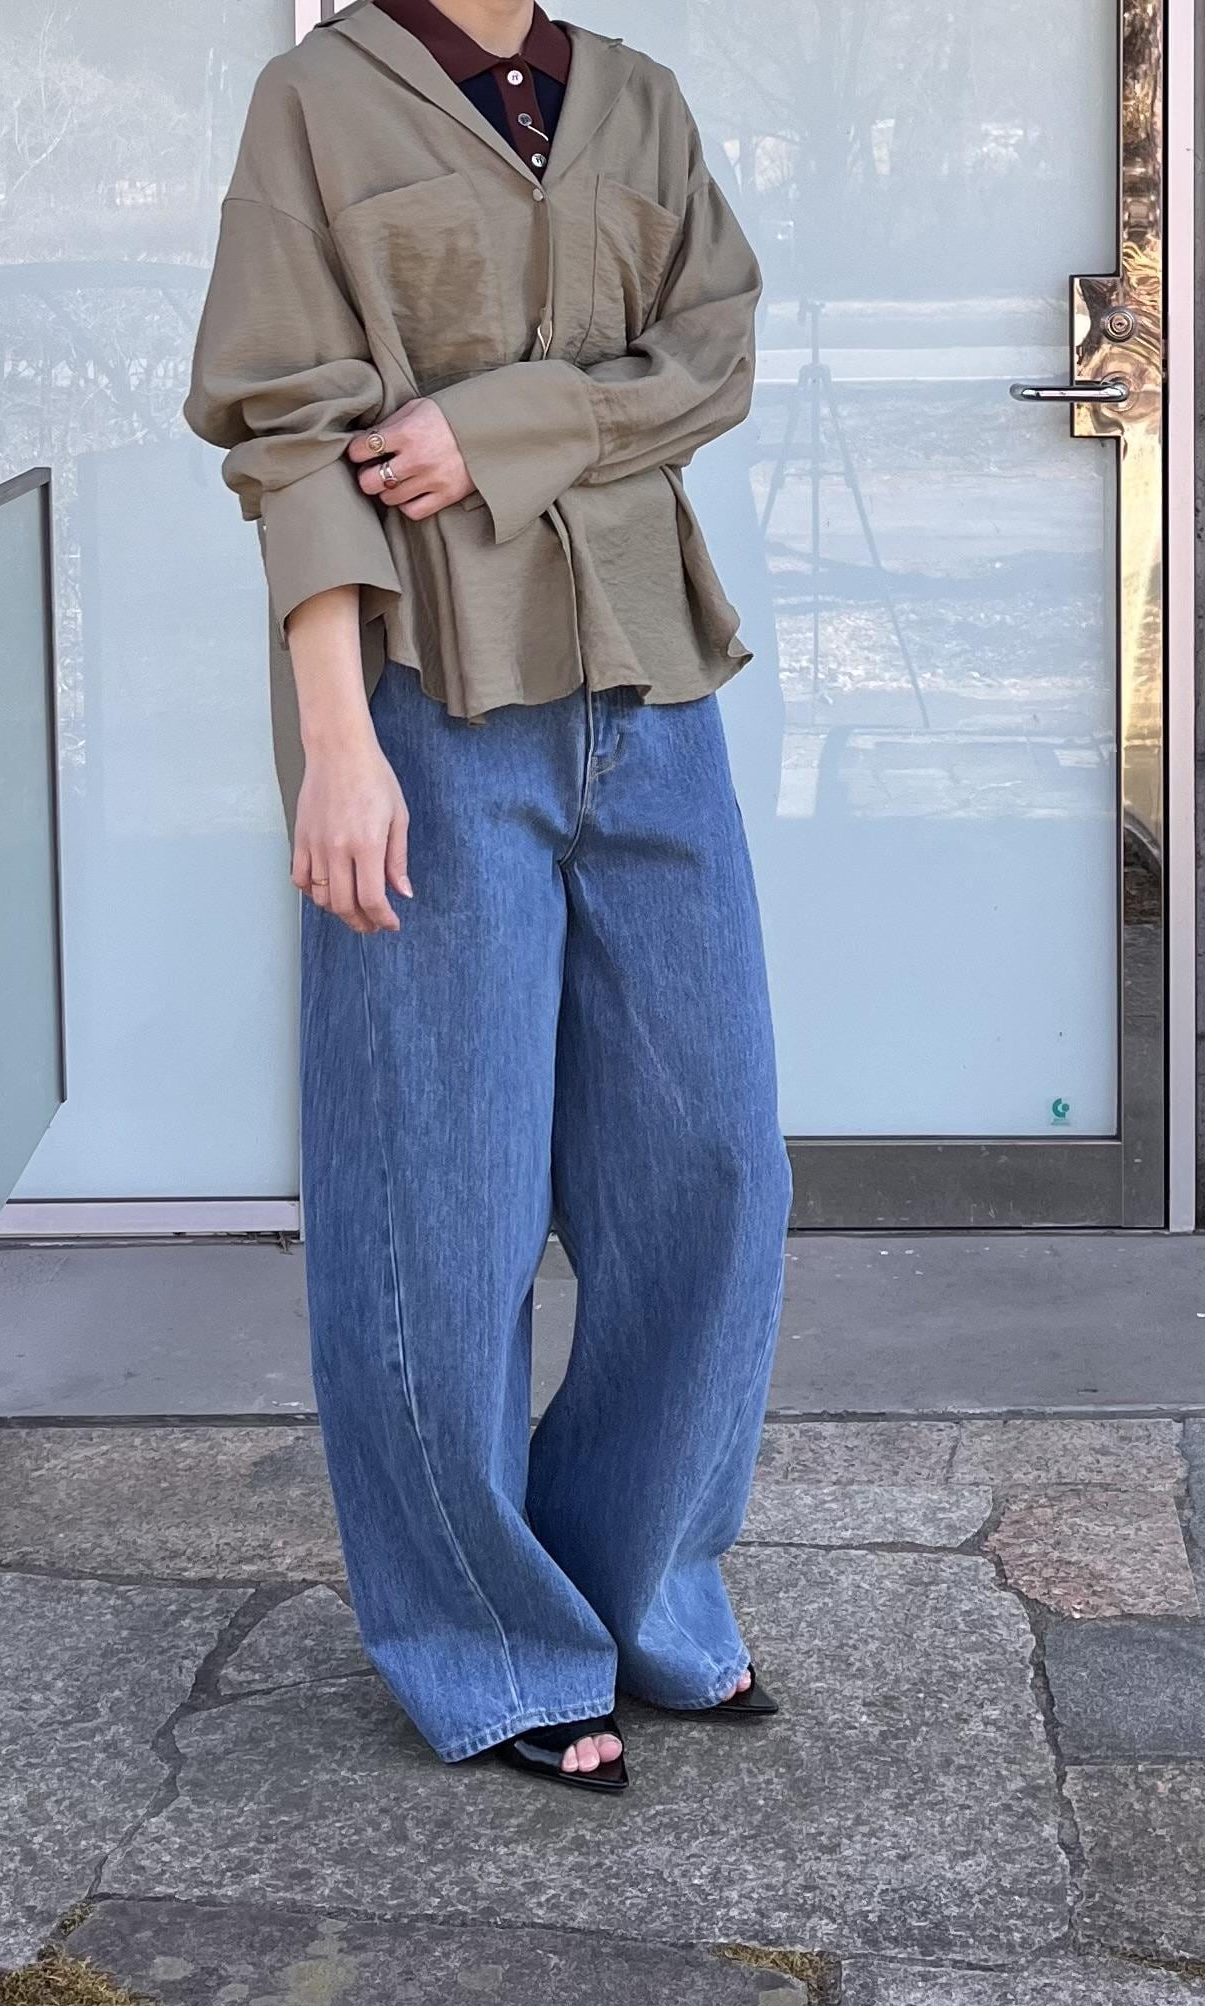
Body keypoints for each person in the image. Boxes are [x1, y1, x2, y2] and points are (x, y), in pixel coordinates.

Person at [184, 0, 793, 1794]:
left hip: (651, 698)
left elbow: (712, 353)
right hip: (428, 711)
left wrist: (501, 423)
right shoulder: (314, 102)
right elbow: (289, 438)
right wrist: (334, 744)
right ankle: (486, 1634)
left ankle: (640, 1579)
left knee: (715, 1169)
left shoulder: (638, 100)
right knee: (436, 1205)